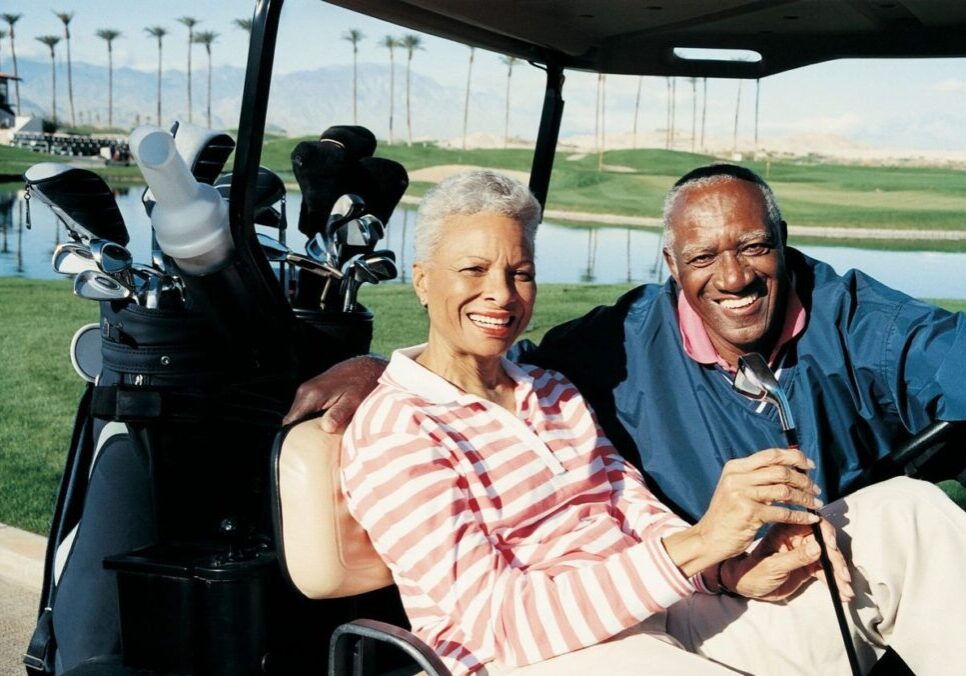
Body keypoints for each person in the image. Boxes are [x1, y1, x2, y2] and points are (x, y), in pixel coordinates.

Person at [339, 169, 966, 675]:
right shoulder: (398, 430)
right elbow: (497, 625)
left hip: (669, 619)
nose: (501, 294)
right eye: (473, 271)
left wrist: (730, 570)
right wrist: (700, 543)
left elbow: (637, 515)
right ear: (421, 281)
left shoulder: (553, 389)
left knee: (910, 512)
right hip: (542, 655)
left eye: (519, 272)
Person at [286, 163, 966, 523]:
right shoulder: (619, 339)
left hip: (836, 574)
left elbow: (946, 354)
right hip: (708, 595)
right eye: (703, 257)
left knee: (914, 511)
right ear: (671, 269)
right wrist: (387, 369)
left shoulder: (852, 315)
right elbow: (494, 361)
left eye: (754, 248)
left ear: (783, 249)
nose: (734, 278)